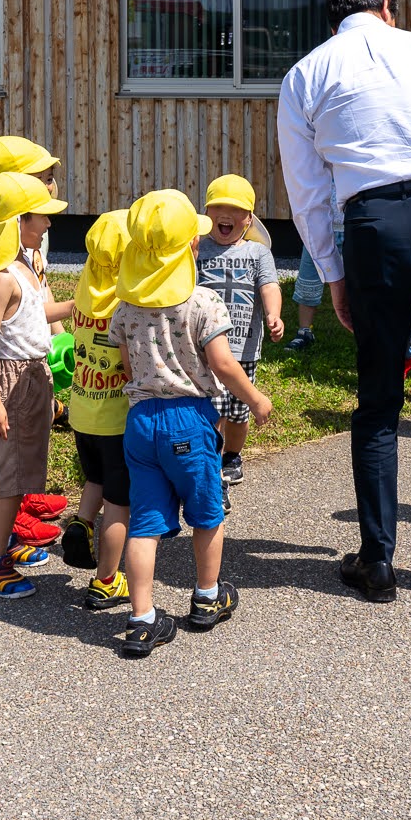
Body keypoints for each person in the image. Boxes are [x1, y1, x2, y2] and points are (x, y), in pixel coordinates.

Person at [277, 0, 411, 601]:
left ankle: (379, 561)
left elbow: (308, 194)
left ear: (332, 19)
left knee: (378, 399)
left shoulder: (306, 74)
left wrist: (333, 273)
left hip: (374, 224)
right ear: (388, 7)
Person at [110, 189, 273, 656]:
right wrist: (256, 399)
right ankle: (206, 597)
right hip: (190, 420)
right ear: (191, 248)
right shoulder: (203, 303)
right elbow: (222, 364)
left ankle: (142, 618)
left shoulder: (125, 307)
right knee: (207, 512)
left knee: (144, 522)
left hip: (140, 421)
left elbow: (125, 365)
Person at [0, 172, 74, 598]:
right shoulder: (0, 277)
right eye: (41, 217)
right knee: (10, 481)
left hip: (35, 377)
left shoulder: (30, 266)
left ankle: (5, 546)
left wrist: (81, 304)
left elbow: (40, 315)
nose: (49, 224)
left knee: (23, 472)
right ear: (15, 221)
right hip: (13, 380)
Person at [56, 211, 134, 610]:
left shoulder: (89, 281)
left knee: (95, 477)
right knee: (120, 503)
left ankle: (82, 522)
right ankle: (107, 580)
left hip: (83, 412)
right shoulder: (127, 293)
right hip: (118, 417)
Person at [194, 173, 282, 495]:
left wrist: (273, 313)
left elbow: (269, 286)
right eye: (218, 207)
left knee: (239, 411)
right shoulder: (198, 249)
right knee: (211, 409)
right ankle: (211, 462)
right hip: (205, 350)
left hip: (243, 350)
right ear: (207, 214)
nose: (226, 214)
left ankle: (233, 455)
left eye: (236, 209)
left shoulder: (259, 254)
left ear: (248, 219)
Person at [285, 191, 341, 353]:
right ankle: (304, 331)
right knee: (308, 280)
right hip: (318, 229)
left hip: (352, 226)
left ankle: (366, 332)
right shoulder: (319, 165)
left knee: (361, 286)